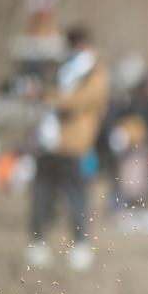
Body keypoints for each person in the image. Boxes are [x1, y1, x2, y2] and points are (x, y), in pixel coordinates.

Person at [27, 25, 109, 271]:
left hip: (74, 146)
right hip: (48, 144)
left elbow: (79, 101)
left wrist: (47, 94)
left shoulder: (96, 74)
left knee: (76, 198)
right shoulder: (62, 71)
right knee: (41, 195)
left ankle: (80, 245)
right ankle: (37, 242)